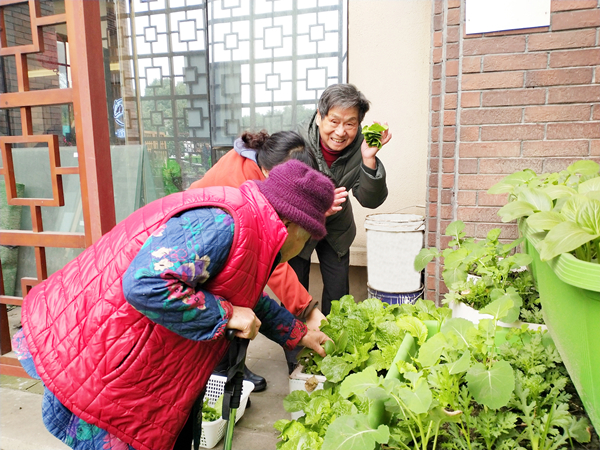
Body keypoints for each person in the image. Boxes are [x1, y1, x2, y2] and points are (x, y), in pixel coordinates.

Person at [13, 159, 334, 450]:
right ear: (293, 227)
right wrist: (226, 314)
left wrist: (298, 334)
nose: (303, 248)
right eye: (307, 239)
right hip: (106, 348)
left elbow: (243, 289)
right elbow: (147, 284)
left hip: (121, 345)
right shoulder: (227, 223)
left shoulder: (254, 226)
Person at [190, 130, 346, 380]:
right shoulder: (241, 207)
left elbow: (254, 293)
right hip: (185, 259)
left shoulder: (259, 192)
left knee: (240, 301)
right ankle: (222, 372)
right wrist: (307, 309)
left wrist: (300, 334)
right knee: (226, 312)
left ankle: (231, 371)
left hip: (193, 262)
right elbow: (271, 266)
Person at [291, 83, 392, 316]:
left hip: (337, 229)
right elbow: (280, 196)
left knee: (338, 297)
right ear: (320, 116)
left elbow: (371, 200)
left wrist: (368, 159)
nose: (340, 132)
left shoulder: (363, 145)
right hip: (299, 228)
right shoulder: (296, 143)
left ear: (359, 124)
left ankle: (334, 345)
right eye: (334, 121)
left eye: (350, 124)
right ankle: (297, 347)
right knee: (295, 295)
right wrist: (315, 207)